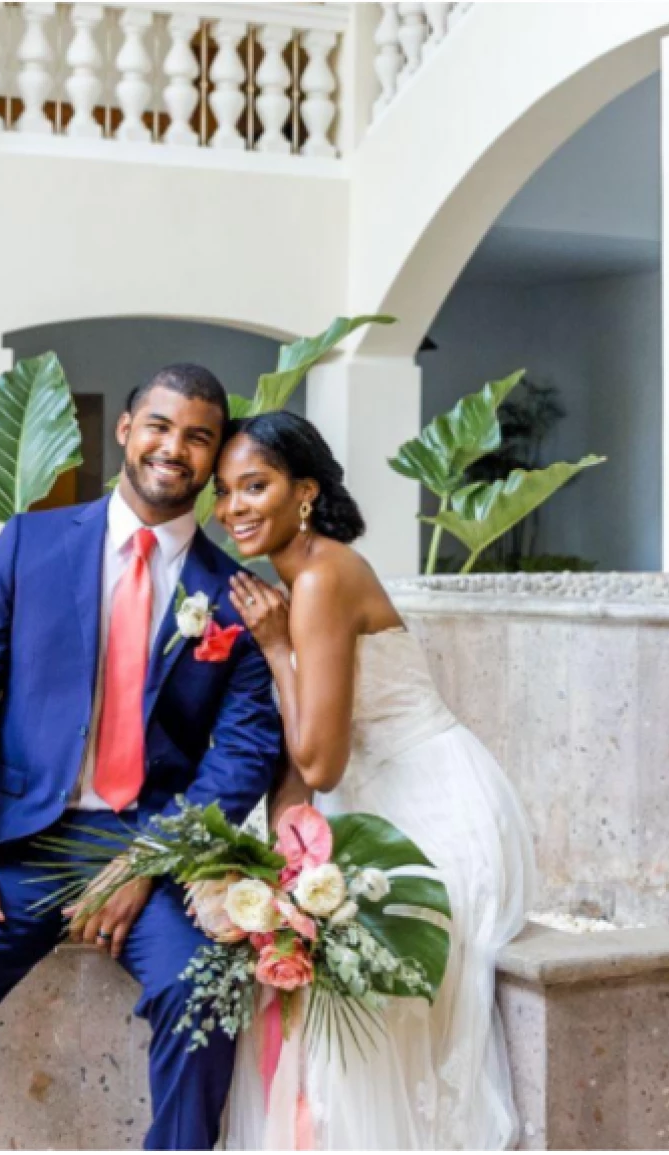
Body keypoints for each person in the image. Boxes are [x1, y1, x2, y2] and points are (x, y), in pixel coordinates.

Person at [0, 364, 285, 1151]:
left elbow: (249, 749)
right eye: (159, 425)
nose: (174, 448)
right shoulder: (30, 543)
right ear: (125, 431)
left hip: (149, 845)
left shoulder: (236, 597)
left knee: (206, 985)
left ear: (215, 454)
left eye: (199, 436)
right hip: (22, 840)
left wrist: (150, 861)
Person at [213, 410, 538, 1151]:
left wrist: (272, 649)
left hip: (433, 806)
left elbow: (321, 761)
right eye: (226, 491)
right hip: (375, 799)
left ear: (305, 491)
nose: (234, 508)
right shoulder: (299, 575)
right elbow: (309, 771)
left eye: (254, 485)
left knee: (351, 1020)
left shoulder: (324, 577)